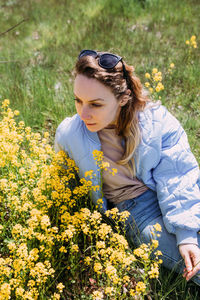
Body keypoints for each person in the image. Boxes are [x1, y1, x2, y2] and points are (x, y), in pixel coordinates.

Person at [54, 49, 200, 285]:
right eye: (78, 101)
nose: (84, 113)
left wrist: (186, 235)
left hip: (177, 190)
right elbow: (62, 184)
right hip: (136, 210)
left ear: (123, 98)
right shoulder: (69, 134)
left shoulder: (157, 121)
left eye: (95, 104)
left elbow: (178, 176)